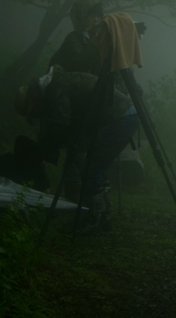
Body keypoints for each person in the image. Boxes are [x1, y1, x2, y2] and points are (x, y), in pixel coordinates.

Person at [15, 65, 139, 233]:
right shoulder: (57, 84)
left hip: (120, 117)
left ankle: (95, 219)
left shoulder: (55, 89)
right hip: (124, 115)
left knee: (92, 168)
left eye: (33, 112)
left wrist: (48, 146)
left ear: (34, 99)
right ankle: (102, 216)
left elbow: (61, 122)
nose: (36, 116)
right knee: (95, 167)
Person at [48, 0, 103, 75]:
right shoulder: (73, 39)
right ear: (82, 17)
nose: (96, 20)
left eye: (99, 16)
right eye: (92, 16)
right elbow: (81, 65)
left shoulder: (98, 38)